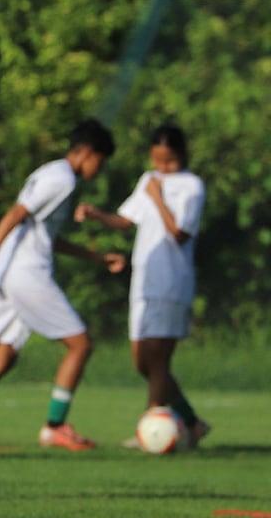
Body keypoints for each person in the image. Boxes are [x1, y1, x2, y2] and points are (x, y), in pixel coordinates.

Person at [0, 118, 126, 451]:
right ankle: (55, 426)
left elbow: (47, 237)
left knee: (3, 357)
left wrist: (98, 258)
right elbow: (15, 214)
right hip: (26, 274)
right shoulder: (62, 180)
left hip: (9, 273)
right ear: (87, 153)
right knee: (81, 345)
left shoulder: (51, 172)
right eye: (101, 159)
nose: (100, 168)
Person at [75, 124, 209, 447]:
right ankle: (191, 422)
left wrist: (158, 198)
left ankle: (152, 428)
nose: (162, 168)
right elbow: (126, 219)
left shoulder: (191, 186)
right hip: (144, 280)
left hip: (172, 282)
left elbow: (179, 233)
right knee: (142, 362)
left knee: (159, 357)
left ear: (181, 155)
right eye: (157, 161)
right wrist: (96, 215)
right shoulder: (148, 180)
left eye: (169, 162)